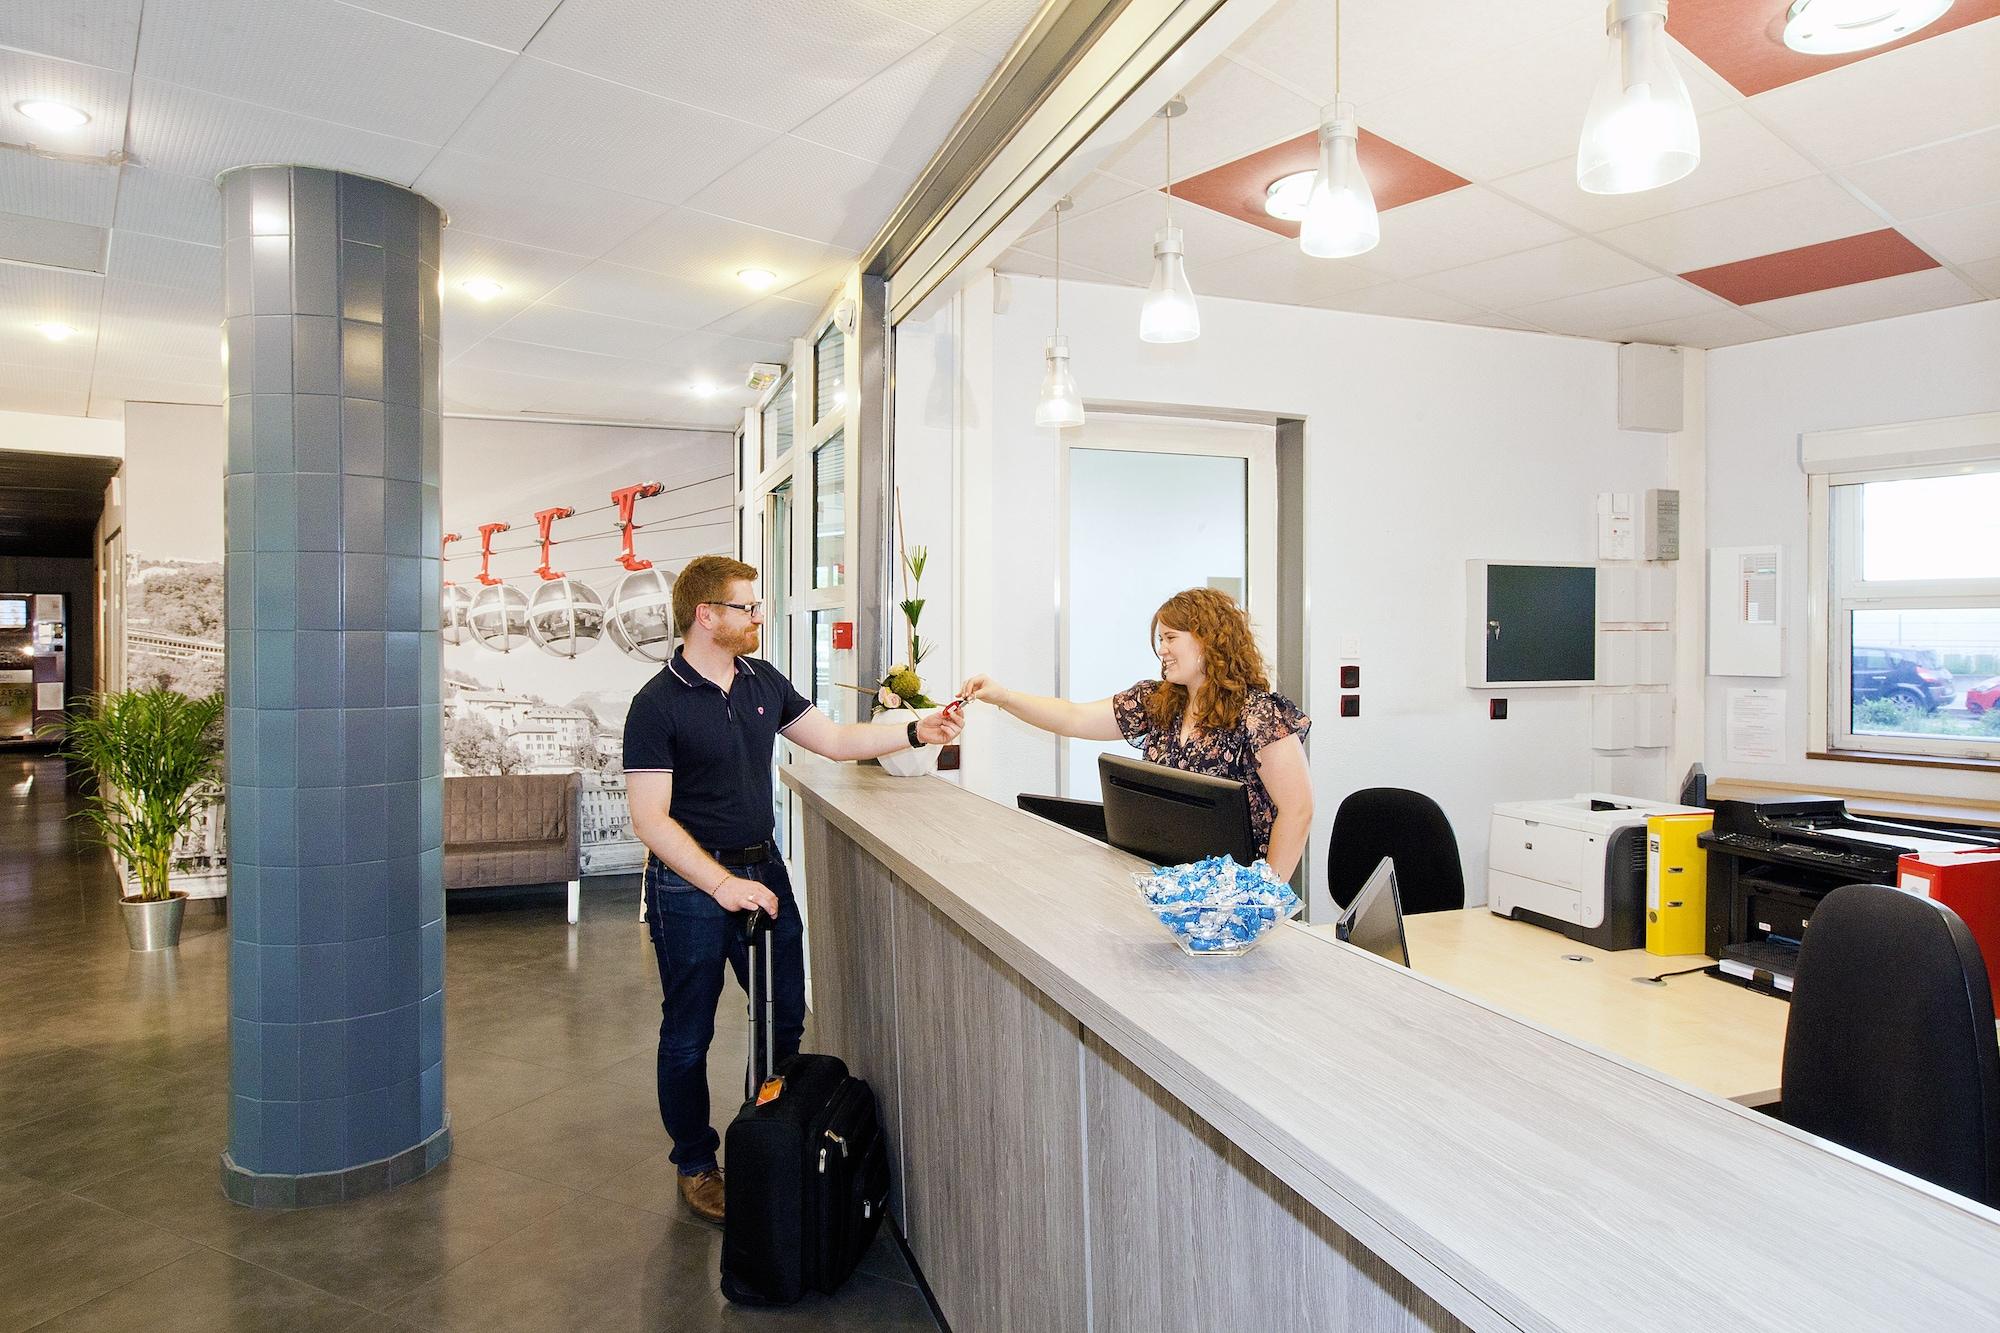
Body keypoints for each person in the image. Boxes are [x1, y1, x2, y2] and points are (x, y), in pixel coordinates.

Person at [623, 554, 963, 1225]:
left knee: (782, 1015)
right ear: (706, 614)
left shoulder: (762, 680)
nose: (757, 617)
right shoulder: (655, 704)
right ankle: (696, 1162)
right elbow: (649, 818)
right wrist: (721, 883)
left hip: (764, 871)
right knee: (688, 1033)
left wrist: (918, 729)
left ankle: (761, 1140)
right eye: (746, 606)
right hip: (690, 887)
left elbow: (834, 738)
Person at [961, 587, 1312, 879]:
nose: (1162, 649)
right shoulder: (1155, 701)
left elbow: (1298, 809)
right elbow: (1073, 717)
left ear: (1209, 641)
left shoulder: (1260, 714)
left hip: (1236, 895)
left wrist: (1265, 901)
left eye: (1171, 637)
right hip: (1171, 885)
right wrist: (1004, 697)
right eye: (1160, 638)